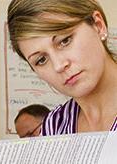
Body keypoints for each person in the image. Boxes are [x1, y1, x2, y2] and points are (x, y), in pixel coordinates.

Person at [7, 0, 117, 136]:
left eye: (65, 41)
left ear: (98, 26)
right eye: (41, 60)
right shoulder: (53, 127)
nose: (58, 66)